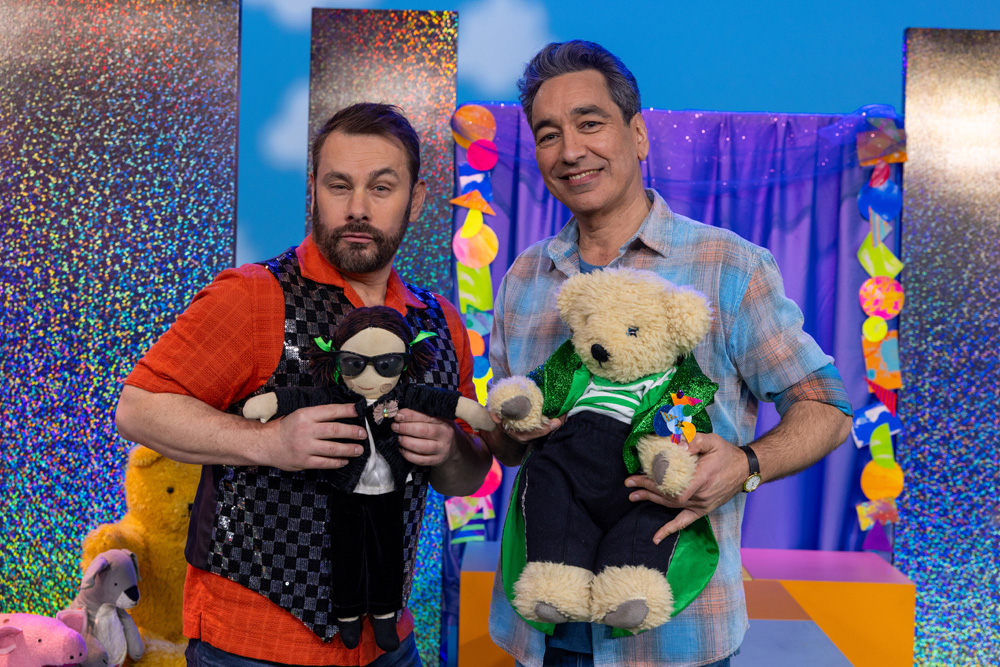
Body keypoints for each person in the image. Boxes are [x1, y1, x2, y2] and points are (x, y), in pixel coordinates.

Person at [482, 41, 854, 667]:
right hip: (543, 632)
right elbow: (508, 446)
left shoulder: (728, 265)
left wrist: (745, 464)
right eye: (548, 135)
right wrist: (511, 427)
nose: (570, 151)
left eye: (589, 123)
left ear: (637, 134)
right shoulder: (525, 276)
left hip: (678, 637)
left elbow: (829, 408)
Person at [115, 102, 492, 667]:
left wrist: (451, 448)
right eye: (339, 185)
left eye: (381, 188)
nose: (357, 208)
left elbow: (466, 478)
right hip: (253, 645)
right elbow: (137, 408)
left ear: (415, 199)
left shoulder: (440, 323)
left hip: (388, 644)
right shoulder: (252, 295)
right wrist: (267, 442)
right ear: (313, 189)